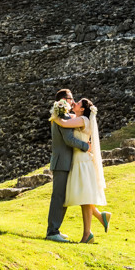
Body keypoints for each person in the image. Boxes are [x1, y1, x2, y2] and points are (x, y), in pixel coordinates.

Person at [53, 97, 112, 243]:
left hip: (82, 162)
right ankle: (96, 221)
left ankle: (88, 234)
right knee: (83, 197)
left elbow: (64, 123)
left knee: (85, 198)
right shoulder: (79, 118)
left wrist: (55, 112)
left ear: (82, 109)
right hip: (79, 160)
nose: (75, 103)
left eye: (78, 103)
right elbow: (70, 119)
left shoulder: (82, 120)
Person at [46, 89, 90, 242]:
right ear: (64, 100)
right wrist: (86, 146)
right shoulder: (62, 116)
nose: (73, 101)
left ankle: (55, 229)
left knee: (62, 197)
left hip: (64, 162)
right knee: (58, 197)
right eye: (71, 99)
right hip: (61, 162)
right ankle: (52, 232)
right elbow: (69, 140)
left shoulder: (62, 116)